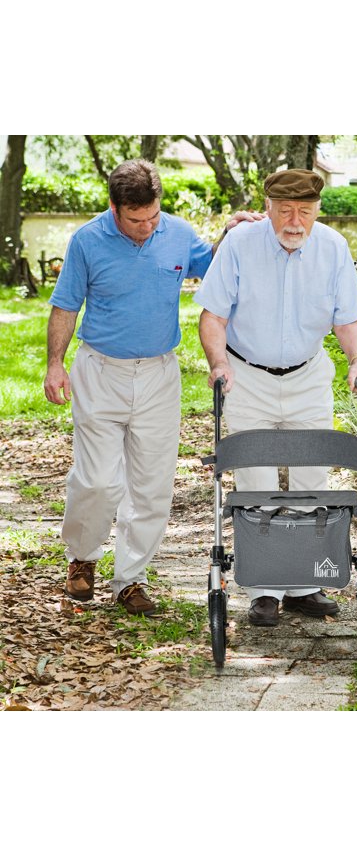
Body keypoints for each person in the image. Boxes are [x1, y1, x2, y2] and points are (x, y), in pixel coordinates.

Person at [44, 158, 262, 616]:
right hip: (101, 370)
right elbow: (66, 305)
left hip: (160, 374)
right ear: (114, 208)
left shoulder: (177, 233)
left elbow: (213, 265)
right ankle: (82, 558)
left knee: (152, 485)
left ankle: (131, 579)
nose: (146, 227)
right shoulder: (87, 240)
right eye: (135, 220)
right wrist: (55, 364)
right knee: (99, 480)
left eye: (153, 217)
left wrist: (233, 231)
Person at [195, 168, 357, 627]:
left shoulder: (333, 247)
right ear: (268, 209)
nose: (295, 221)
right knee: (254, 482)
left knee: (310, 477)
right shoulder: (239, 245)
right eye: (285, 211)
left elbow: (348, 318)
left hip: (307, 375)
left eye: (306, 211)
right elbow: (212, 317)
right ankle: (263, 588)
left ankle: (303, 583)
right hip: (247, 376)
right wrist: (219, 364)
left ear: (317, 210)